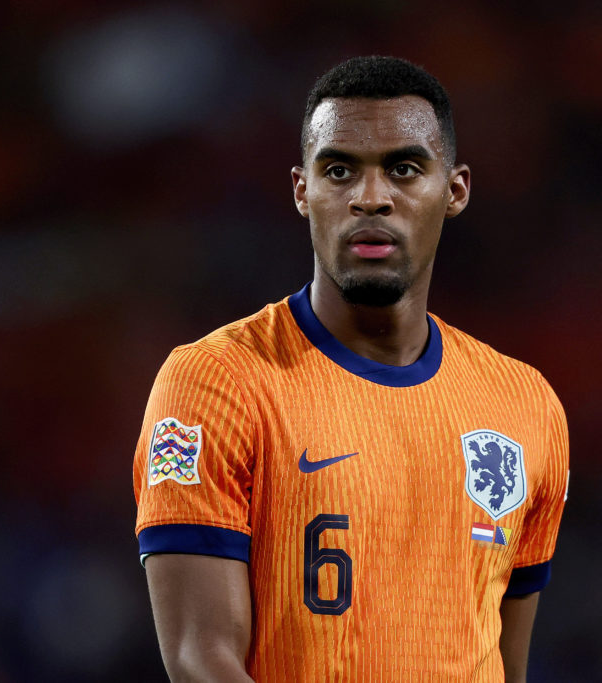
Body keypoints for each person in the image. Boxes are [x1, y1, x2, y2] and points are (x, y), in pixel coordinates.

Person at [132, 56, 568, 682]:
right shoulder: (216, 382)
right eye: (339, 170)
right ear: (301, 190)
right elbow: (202, 661)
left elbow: (504, 664)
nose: (370, 198)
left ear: (455, 190)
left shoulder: (526, 405)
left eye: (404, 168)